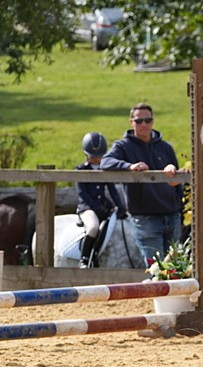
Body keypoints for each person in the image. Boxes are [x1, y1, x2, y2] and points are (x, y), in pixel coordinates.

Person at [101, 103, 183, 266]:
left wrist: (174, 172)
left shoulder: (165, 147)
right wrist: (129, 166)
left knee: (177, 268)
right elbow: (105, 162)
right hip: (146, 220)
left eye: (148, 120)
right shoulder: (123, 146)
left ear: (153, 121)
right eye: (139, 121)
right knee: (157, 270)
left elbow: (176, 181)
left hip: (172, 216)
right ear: (131, 122)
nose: (144, 124)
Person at [75, 132, 127, 268]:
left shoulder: (105, 170)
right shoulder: (81, 170)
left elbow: (112, 190)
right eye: (93, 156)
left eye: (99, 156)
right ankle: (84, 259)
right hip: (87, 208)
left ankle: (98, 254)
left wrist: (120, 206)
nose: (97, 159)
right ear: (86, 154)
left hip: (103, 206)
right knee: (93, 228)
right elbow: (82, 193)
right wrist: (95, 207)